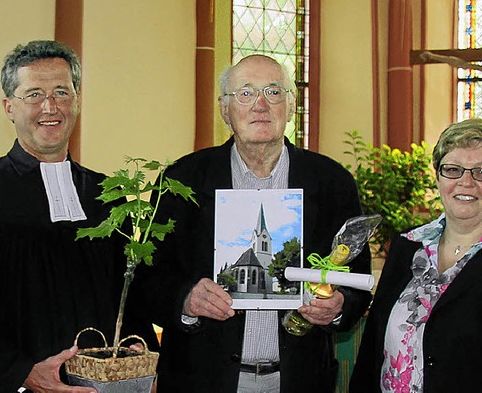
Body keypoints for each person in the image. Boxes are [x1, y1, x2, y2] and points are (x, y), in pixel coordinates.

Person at [128, 55, 372, 392]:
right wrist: (185, 299)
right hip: (201, 379)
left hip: (300, 379)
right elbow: (147, 279)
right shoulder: (182, 180)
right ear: (225, 110)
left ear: (290, 105)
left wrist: (339, 305)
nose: (260, 105)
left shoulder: (332, 181)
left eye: (273, 92)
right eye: (245, 94)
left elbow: (357, 276)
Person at [0, 40, 126, 393]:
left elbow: (126, 292)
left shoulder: (106, 194)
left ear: (77, 101)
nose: (50, 106)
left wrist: (133, 354)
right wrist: (21, 373)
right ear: (8, 106)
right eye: (33, 94)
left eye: (62, 92)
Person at [349, 118, 482, 392]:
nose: (466, 182)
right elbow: (371, 354)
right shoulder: (407, 246)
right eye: (453, 170)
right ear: (438, 176)